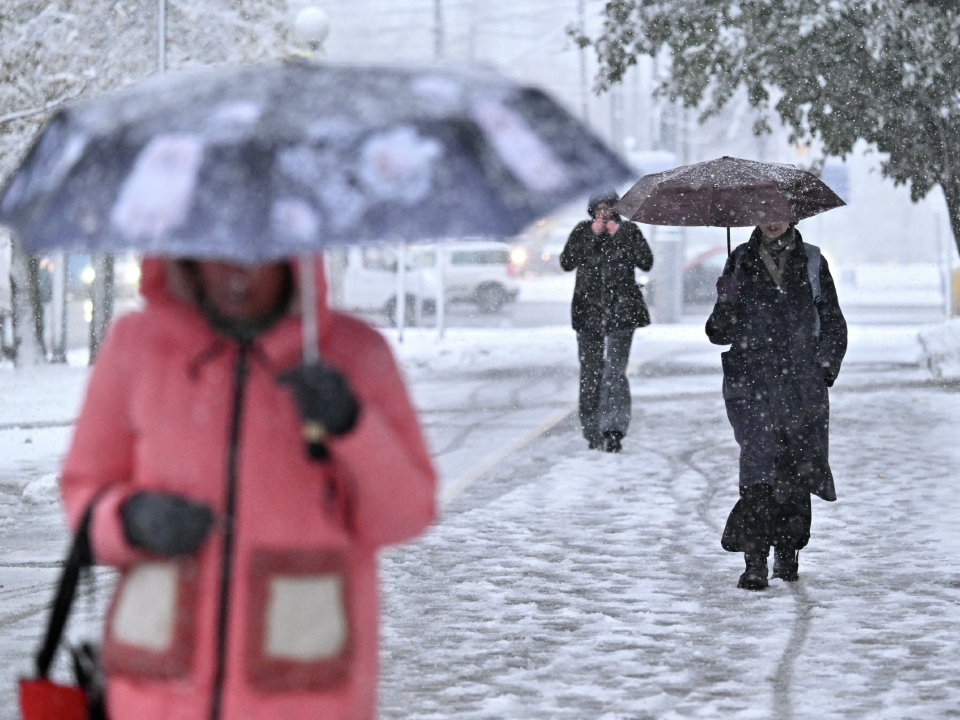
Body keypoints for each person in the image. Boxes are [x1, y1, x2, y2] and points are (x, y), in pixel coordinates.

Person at [59, 256, 436, 719]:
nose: (238, 272)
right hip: (156, 691)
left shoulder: (354, 353)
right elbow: (83, 488)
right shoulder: (136, 346)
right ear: (187, 258)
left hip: (303, 692)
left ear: (292, 258)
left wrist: (352, 426)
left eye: (256, 258)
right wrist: (128, 520)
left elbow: (407, 512)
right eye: (215, 254)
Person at [706, 220, 847, 590]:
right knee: (757, 466)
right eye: (764, 211)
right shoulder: (738, 261)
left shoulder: (813, 261)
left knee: (796, 466)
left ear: (793, 216)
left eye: (779, 210)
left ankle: (787, 551)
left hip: (801, 384)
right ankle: (755, 561)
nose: (772, 219)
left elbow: (833, 323)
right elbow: (718, 333)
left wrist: (823, 368)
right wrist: (726, 300)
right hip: (751, 382)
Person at [560, 189, 654, 452]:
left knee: (614, 372)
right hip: (587, 314)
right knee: (590, 373)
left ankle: (613, 430)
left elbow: (646, 262)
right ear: (592, 210)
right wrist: (591, 236)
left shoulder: (629, 231)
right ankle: (592, 432)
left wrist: (620, 235)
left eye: (608, 208)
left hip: (622, 314)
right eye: (599, 208)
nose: (603, 213)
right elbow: (567, 262)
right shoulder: (582, 231)